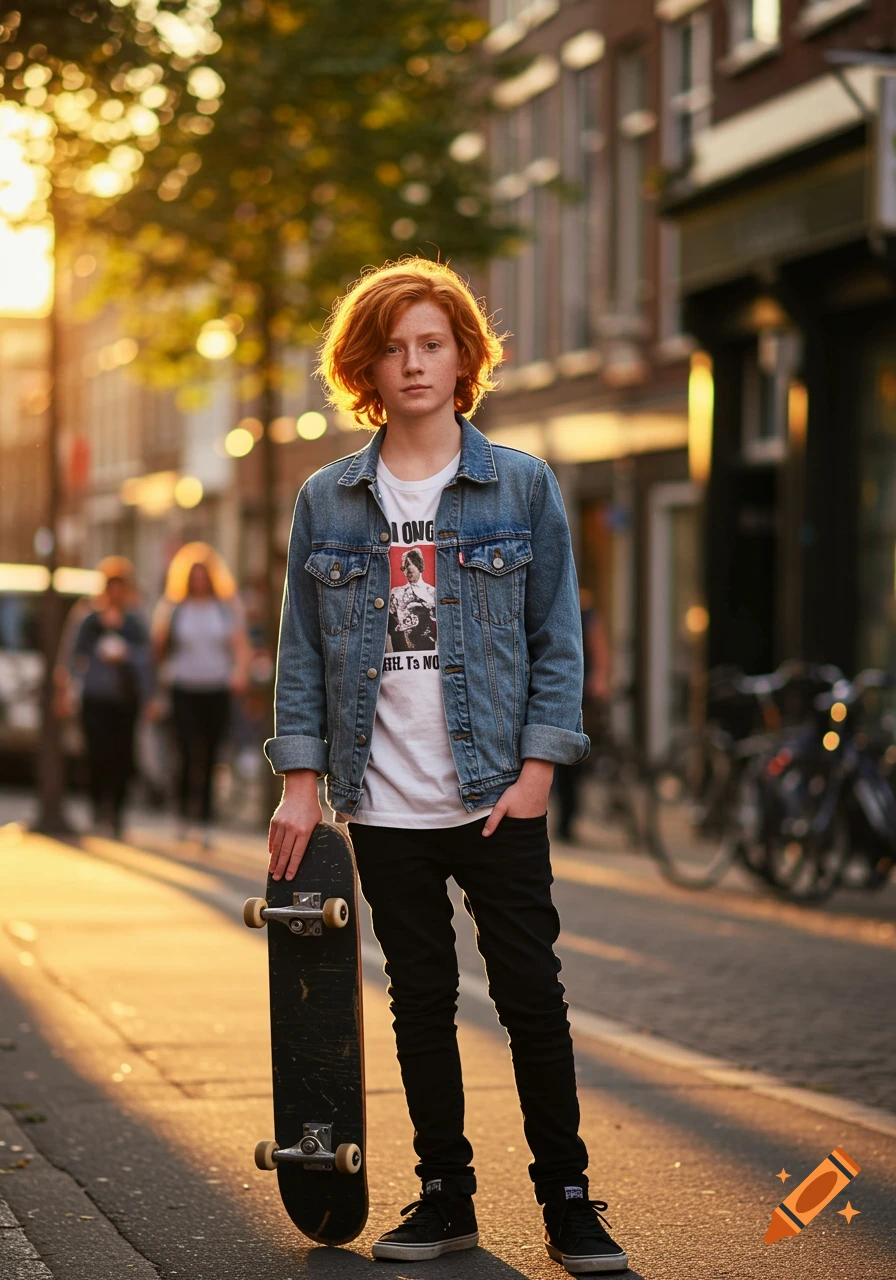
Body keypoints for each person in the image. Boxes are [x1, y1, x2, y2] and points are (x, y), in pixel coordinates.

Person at [264, 258, 629, 1274]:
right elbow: (300, 648)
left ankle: (566, 1199)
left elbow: (559, 636)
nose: (412, 362)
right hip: (380, 798)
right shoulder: (325, 500)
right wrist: (300, 780)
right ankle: (443, 1195)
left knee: (530, 996)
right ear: (363, 368)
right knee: (417, 999)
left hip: (495, 796)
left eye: (430, 342)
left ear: (462, 357)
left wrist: (539, 769)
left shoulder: (518, 482)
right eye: (392, 346)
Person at [151, 544, 250, 846]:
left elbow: (240, 646)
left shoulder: (225, 608)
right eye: (193, 575)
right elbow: (158, 649)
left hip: (216, 688)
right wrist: (159, 686)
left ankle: (205, 821)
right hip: (183, 687)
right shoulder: (175, 607)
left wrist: (239, 673)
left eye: (203, 575)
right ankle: (182, 816)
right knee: (183, 752)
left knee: (210, 755)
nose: (199, 581)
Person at [67, 557, 151, 838]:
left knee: (122, 756)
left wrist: (127, 654)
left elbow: (148, 659)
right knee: (96, 755)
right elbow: (72, 656)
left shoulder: (135, 624)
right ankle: (96, 810)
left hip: (125, 699)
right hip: (95, 697)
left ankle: (116, 813)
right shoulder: (89, 620)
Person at [554, 587, 611, 843]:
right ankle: (563, 819)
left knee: (572, 758)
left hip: (579, 692)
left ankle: (568, 820)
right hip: (558, 689)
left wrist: (599, 678)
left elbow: (599, 646)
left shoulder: (584, 608)